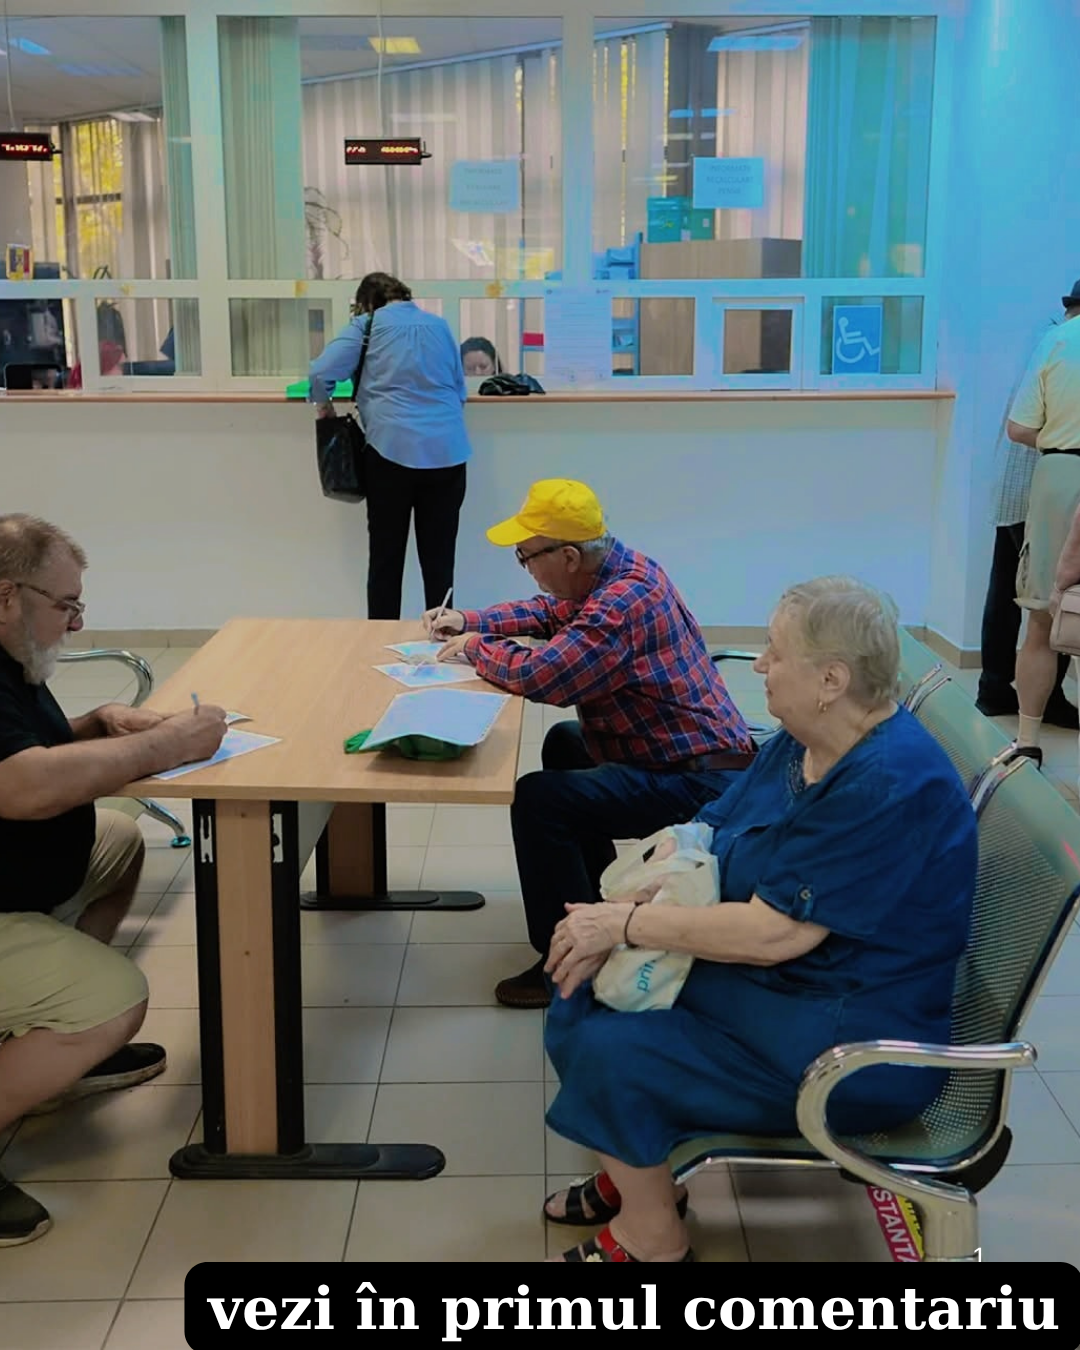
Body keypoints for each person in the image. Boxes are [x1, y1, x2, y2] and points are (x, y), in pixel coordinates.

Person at [539, 576, 977, 1263]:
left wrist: (623, 927)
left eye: (775, 652)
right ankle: (639, 1175)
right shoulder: (807, 740)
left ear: (831, 679)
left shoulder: (884, 783)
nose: (760, 665)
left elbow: (777, 934)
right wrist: (645, 888)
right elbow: (717, 823)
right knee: (586, 981)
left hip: (849, 1035)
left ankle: (652, 1237)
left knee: (610, 1040)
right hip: (797, 987)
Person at [423, 479, 754, 1009]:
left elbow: (544, 677)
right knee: (565, 744)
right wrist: (471, 620)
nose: (526, 567)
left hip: (698, 779)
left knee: (540, 801)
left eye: (526, 556)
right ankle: (595, 909)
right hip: (680, 751)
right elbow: (547, 613)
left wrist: (477, 647)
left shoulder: (620, 606)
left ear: (569, 556)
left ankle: (564, 964)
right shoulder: (621, 569)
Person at [0, 514, 228, 1245]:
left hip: (16, 873)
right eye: (64, 605)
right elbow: (23, 787)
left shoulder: (11, 654)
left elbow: (23, 751)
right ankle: (63, 1031)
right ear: (6, 595)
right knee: (112, 1002)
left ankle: (36, 1045)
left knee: (117, 840)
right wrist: (167, 743)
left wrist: (97, 724)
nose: (75, 622)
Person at [309, 273, 471, 620]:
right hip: (448, 452)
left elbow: (320, 372)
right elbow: (460, 390)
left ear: (366, 302)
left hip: (390, 451)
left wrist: (325, 408)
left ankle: (380, 637)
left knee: (386, 557)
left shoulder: (367, 325)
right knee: (440, 559)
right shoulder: (440, 326)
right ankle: (442, 634)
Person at [976, 348, 1074, 724]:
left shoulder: (1046, 342)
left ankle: (993, 687)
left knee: (1005, 591)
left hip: (1013, 490)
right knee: (1052, 604)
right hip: (1043, 491)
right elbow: (1021, 428)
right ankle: (1045, 698)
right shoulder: (1061, 344)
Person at [1011, 280, 1080, 764]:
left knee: (1041, 617)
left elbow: (1019, 427)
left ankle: (1027, 741)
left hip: (1061, 472)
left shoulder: (1056, 340)